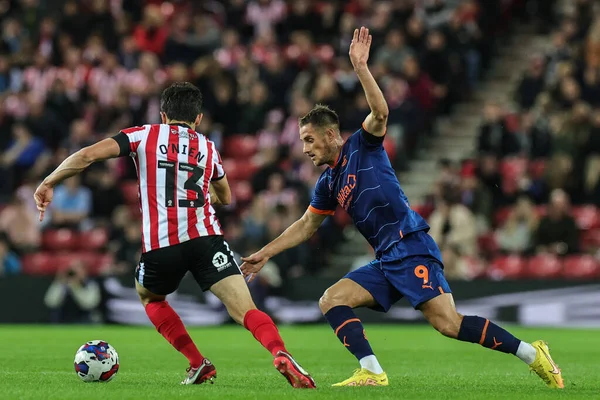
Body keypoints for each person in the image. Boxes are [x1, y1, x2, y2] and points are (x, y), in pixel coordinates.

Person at [241, 27, 564, 389]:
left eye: (309, 139)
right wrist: (265, 253)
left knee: (448, 324)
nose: (304, 148)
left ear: (331, 135)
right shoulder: (328, 183)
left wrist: (361, 68)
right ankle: (373, 372)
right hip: (385, 258)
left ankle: (533, 354)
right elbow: (305, 226)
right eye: (303, 141)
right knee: (331, 299)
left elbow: (380, 111)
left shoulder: (362, 146)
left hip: (409, 244)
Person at [34, 82, 315, 388]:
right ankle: (280, 352)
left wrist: (49, 181)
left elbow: (88, 155)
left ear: (163, 114)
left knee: (150, 297)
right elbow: (225, 196)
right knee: (246, 310)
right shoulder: (208, 147)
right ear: (198, 119)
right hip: (207, 239)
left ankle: (197, 362)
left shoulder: (143, 135)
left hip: (162, 244)